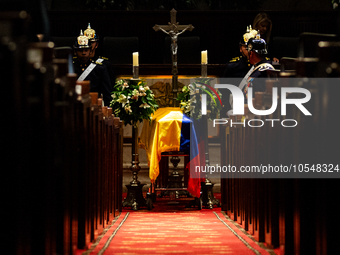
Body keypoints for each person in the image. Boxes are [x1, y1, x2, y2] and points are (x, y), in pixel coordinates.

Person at [73, 30, 112, 106]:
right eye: (80, 50)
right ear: (75, 52)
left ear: (90, 51)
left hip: (94, 106)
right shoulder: (70, 68)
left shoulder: (100, 69)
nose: (84, 53)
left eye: (86, 50)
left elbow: (107, 94)